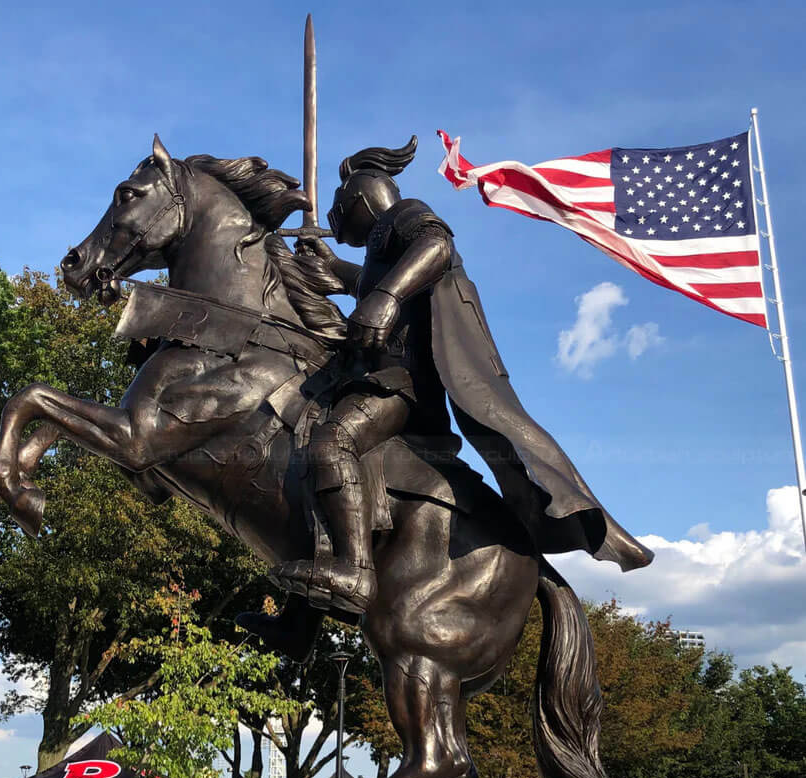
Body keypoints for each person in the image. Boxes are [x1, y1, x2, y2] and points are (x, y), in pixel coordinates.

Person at [238, 137, 652, 658]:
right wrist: (342, 277)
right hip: (378, 381)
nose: (337, 226)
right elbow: (373, 283)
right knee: (301, 457)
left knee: (331, 444)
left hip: (404, 389)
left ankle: (352, 573)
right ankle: (300, 624)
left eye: (340, 213)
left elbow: (436, 246)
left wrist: (384, 298)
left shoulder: (406, 217)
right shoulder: (377, 257)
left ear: (362, 200)